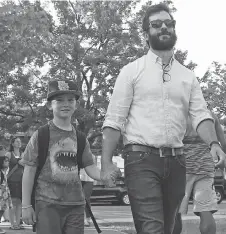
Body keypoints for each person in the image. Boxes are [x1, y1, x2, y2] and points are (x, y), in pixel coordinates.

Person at [101, 3, 226, 234]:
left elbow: (201, 114)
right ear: (146, 33)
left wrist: (214, 144)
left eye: (169, 23)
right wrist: (107, 162)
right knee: (152, 229)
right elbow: (114, 119)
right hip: (141, 160)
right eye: (156, 24)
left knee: (168, 229)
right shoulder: (131, 71)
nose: (163, 28)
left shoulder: (187, 76)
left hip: (178, 162)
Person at [21, 79, 105, 234]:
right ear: (49, 105)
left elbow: (90, 167)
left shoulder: (80, 138)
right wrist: (26, 205)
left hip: (76, 204)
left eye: (70, 100)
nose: (65, 104)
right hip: (47, 204)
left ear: (76, 104)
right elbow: (29, 170)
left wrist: (105, 176)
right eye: (59, 100)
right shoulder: (41, 135)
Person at [173, 112, 226, 234]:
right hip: (205, 168)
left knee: (174, 212)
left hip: (181, 167)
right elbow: (223, 144)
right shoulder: (210, 116)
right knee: (206, 210)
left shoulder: (177, 113)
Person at [5, 137, 24, 230]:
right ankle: (12, 223)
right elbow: (4, 167)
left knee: (19, 203)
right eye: (17, 141)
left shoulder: (23, 154)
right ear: (12, 143)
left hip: (21, 181)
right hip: (11, 181)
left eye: (19, 141)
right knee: (12, 203)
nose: (19, 143)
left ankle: (18, 223)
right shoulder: (8, 154)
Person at [0, 147, 13, 234]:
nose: (7, 162)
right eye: (5, 161)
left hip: (4, 194)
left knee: (2, 210)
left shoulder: (5, 171)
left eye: (8, 161)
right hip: (1, 194)